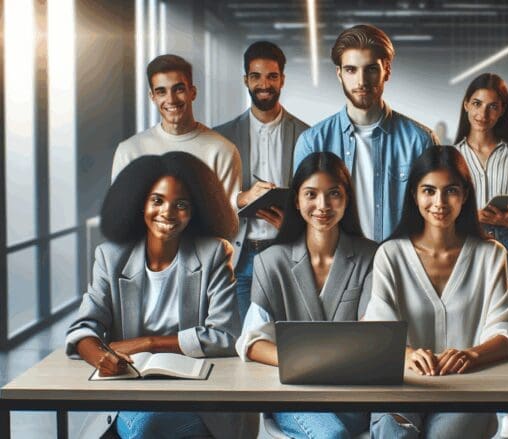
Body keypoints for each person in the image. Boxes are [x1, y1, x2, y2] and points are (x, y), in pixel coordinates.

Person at [66, 152, 257, 438]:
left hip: (196, 395)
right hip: (131, 389)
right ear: (140, 204)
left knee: (147, 428)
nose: (167, 212)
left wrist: (148, 343)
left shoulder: (214, 253)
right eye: (157, 200)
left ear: (195, 210)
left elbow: (226, 335)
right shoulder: (110, 257)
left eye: (181, 204)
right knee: (143, 424)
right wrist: (100, 357)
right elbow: (84, 328)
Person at [364, 145, 508, 439]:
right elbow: (377, 330)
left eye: (450, 191)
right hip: (402, 387)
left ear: (465, 195)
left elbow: (505, 334)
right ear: (414, 195)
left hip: (467, 391)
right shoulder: (390, 254)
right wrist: (408, 354)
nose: (439, 202)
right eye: (429, 190)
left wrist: (470, 355)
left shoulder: (490, 254)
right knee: (393, 432)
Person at [236, 152, 377, 438]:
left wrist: (310, 360)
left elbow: (371, 335)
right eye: (311, 194)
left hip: (353, 396)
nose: (322, 206)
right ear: (297, 201)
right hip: (293, 396)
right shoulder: (271, 261)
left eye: (333, 194)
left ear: (347, 199)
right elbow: (252, 342)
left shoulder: (371, 256)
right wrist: (311, 364)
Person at [294, 24, 438, 242]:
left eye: (371, 69)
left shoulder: (420, 141)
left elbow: (436, 216)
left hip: (401, 265)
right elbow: (303, 218)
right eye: (351, 70)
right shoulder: (312, 142)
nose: (361, 81)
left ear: (386, 70)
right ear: (339, 74)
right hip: (338, 265)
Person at [214, 41, 310, 322]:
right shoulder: (221, 137)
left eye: (271, 76)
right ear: (246, 79)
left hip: (287, 251)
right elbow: (208, 200)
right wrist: (241, 198)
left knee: (287, 336)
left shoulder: (307, 135)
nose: (263, 84)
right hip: (240, 256)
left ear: (282, 79)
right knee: (248, 342)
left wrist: (291, 223)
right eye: (255, 76)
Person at [453, 72, 508, 320]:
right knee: (469, 325)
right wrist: (469, 215)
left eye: (493, 106)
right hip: (465, 249)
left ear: (502, 110)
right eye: (477, 104)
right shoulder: (451, 156)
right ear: (466, 104)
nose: (483, 114)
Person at [112, 54, 242, 208]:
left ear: (192, 92)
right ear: (152, 96)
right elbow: (121, 218)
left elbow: (227, 223)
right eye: (161, 92)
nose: (171, 99)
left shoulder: (222, 151)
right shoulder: (129, 151)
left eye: (178, 89)